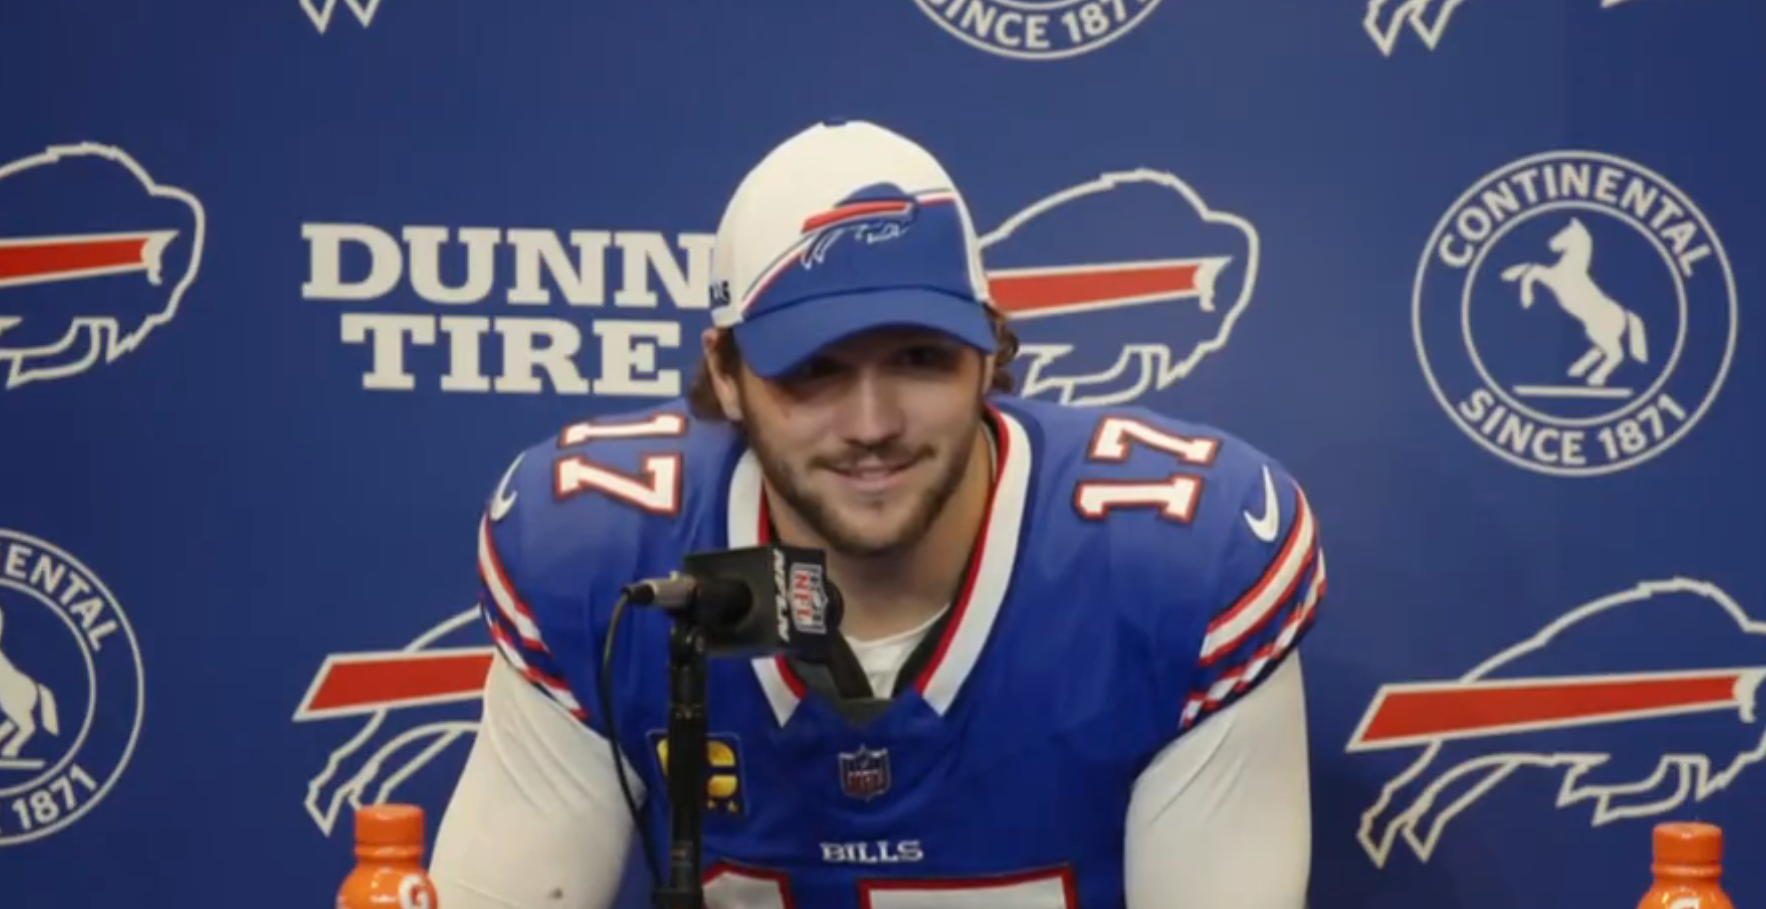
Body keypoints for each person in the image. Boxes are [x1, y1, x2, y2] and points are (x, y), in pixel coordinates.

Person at [428, 118, 1324, 909]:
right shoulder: (599, 548)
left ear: (989, 350)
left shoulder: (1178, 562)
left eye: (920, 358)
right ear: (728, 374)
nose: (872, 424)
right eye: (813, 369)